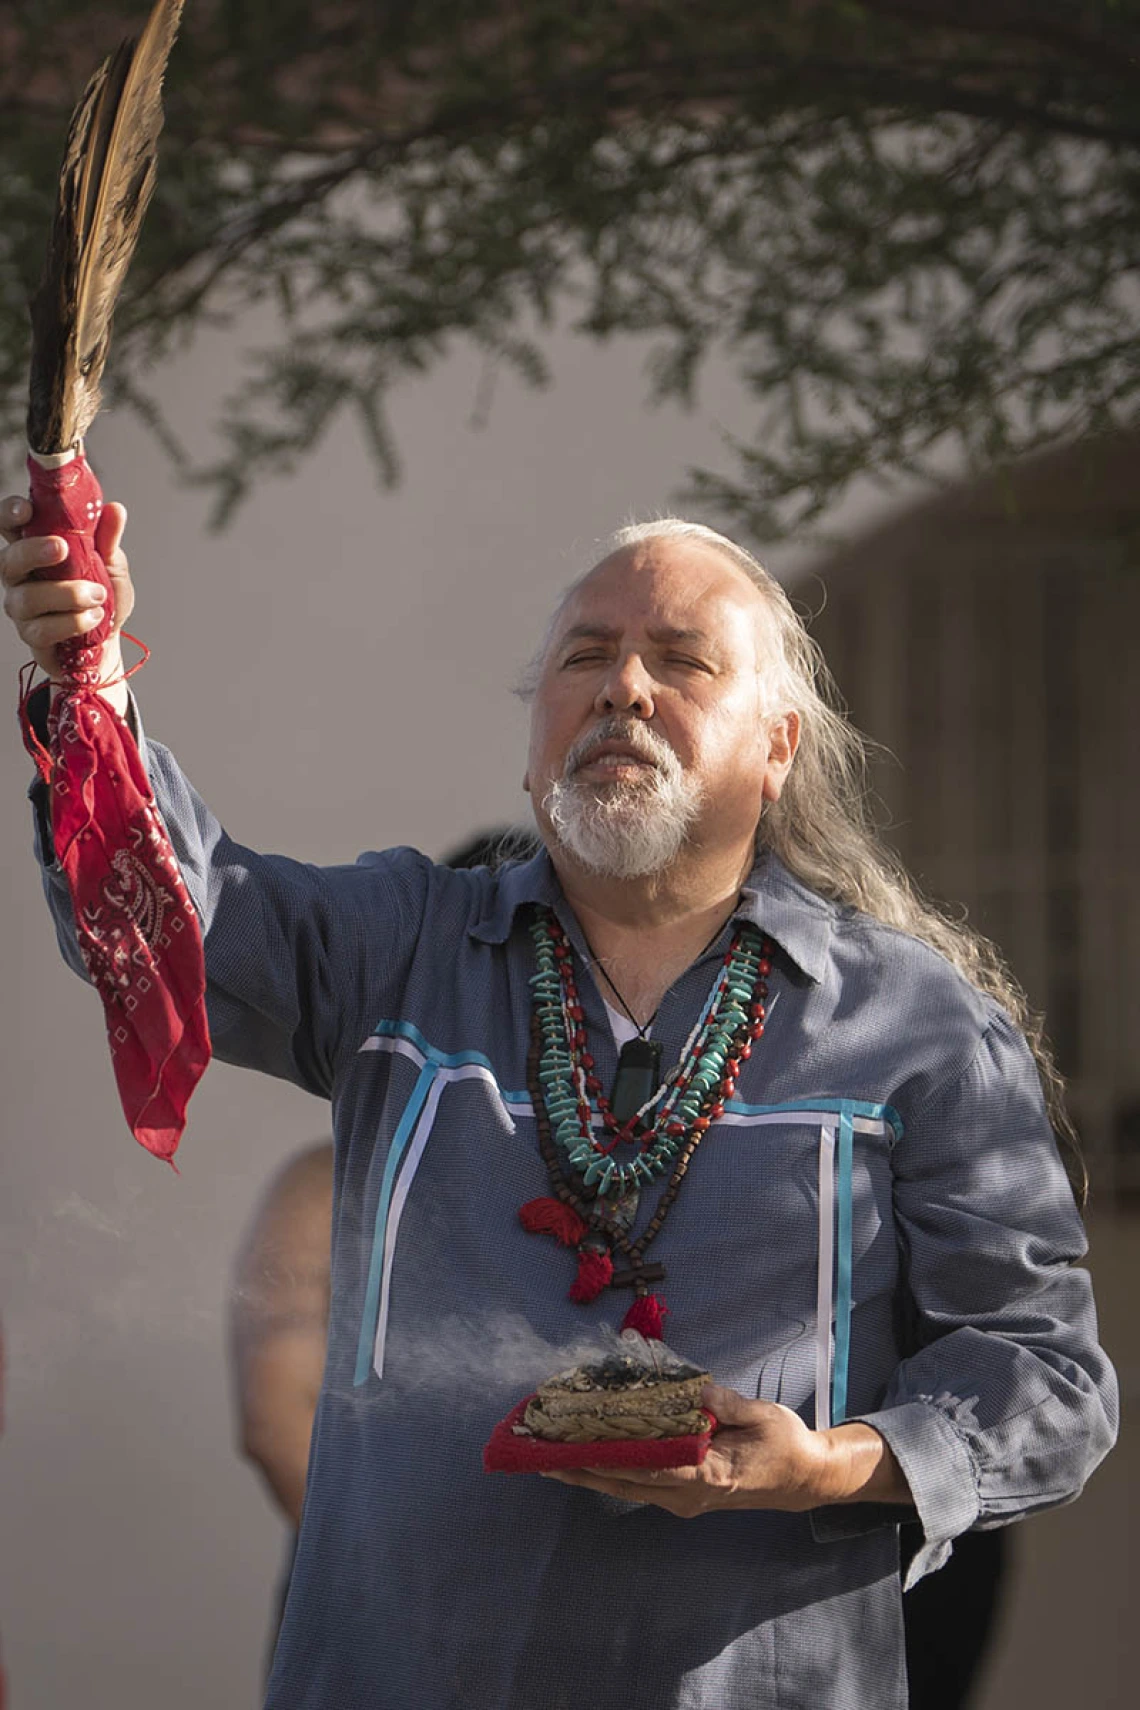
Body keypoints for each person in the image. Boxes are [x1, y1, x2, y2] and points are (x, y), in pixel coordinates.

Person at [2, 496, 1118, 1710]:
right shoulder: (403, 948)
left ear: (779, 744)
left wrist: (830, 1467)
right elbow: (169, 917)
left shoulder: (920, 1023)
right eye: (586, 655)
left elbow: (1046, 1377)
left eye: (681, 661)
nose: (623, 687)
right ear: (536, 732)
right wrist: (92, 677)